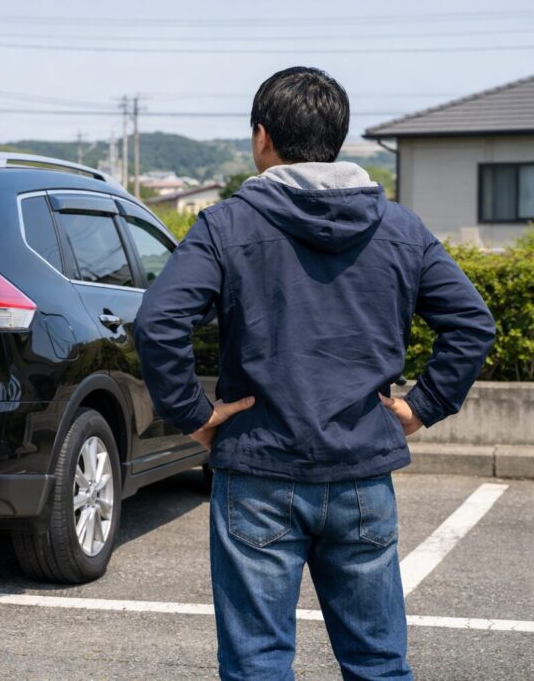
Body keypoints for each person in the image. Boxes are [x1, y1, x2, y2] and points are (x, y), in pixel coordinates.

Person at [133, 66, 496, 680]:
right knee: (378, 662)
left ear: (261, 137)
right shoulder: (400, 229)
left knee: (258, 665)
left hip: (257, 472)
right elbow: (472, 323)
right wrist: (421, 406)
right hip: (361, 472)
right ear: (338, 138)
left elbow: (158, 322)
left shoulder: (227, 224)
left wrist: (193, 416)